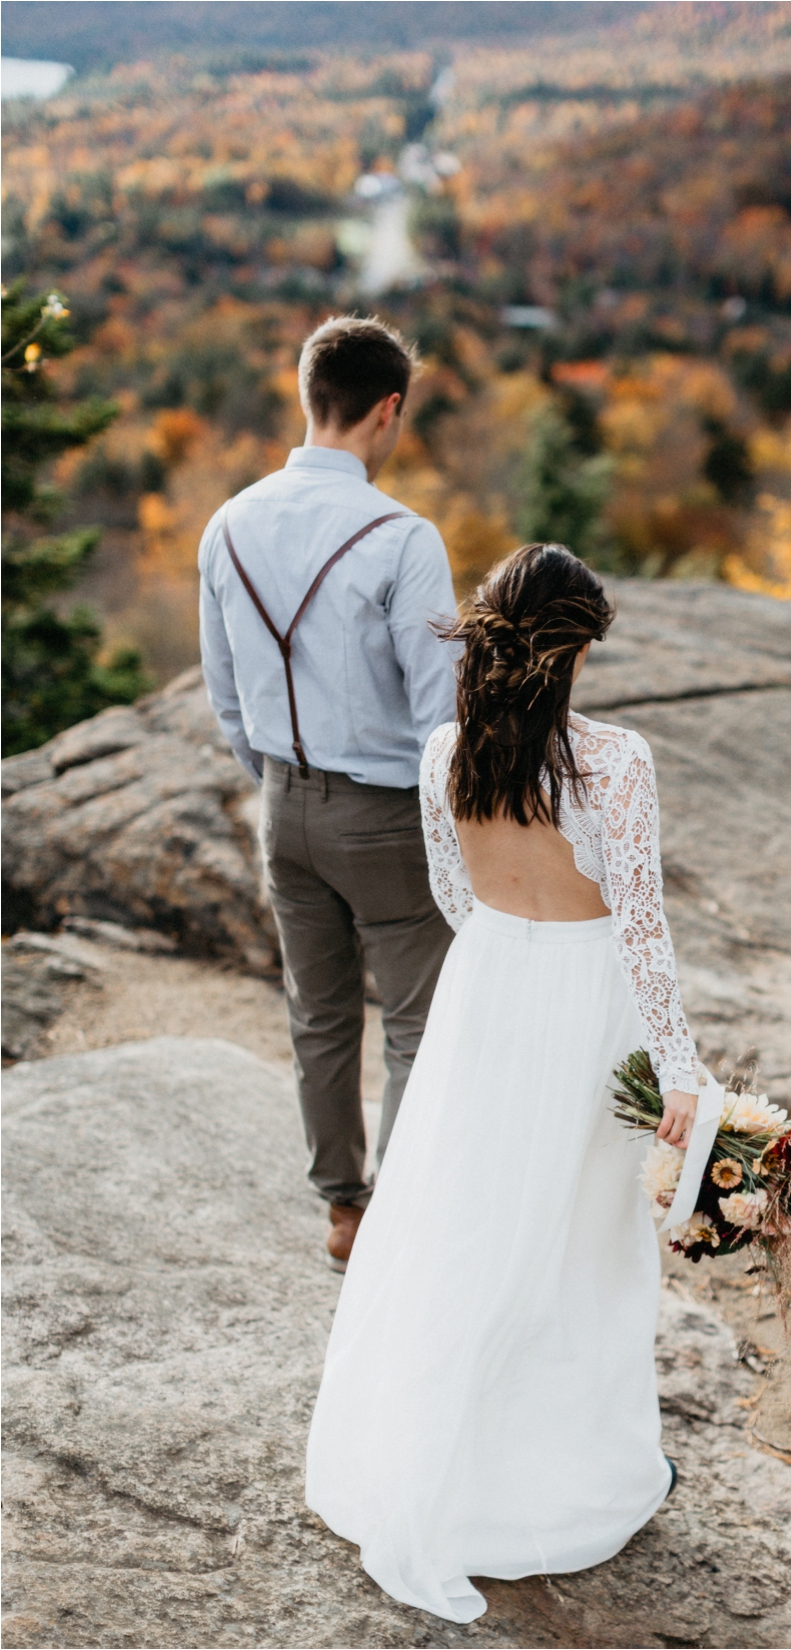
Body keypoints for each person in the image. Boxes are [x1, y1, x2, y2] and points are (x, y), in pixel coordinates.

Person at [306, 542, 699, 1623]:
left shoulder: (445, 754)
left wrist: (510, 968)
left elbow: (451, 894)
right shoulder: (614, 763)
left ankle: (431, 1456)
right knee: (576, 1242)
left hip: (486, 999)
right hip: (585, 1005)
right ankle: (554, 1477)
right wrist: (681, 1071)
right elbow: (643, 929)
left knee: (465, 1224)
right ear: (571, 650)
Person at [198, 315, 457, 1271]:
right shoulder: (403, 538)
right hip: (386, 815)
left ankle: (343, 1213)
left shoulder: (228, 523)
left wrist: (277, 779)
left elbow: (222, 690)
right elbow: (442, 721)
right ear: (387, 410)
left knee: (318, 1014)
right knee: (417, 1023)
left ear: (310, 397)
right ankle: (405, 1215)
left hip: (283, 807)